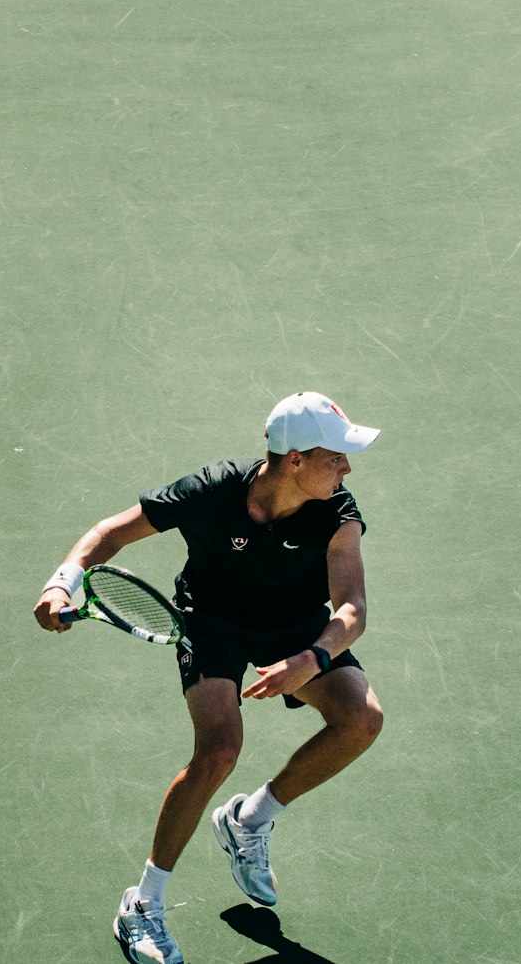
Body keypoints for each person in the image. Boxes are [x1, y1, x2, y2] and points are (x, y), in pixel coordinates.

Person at [33, 392, 384, 964]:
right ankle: (142, 905)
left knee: (361, 720)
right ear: (293, 459)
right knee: (219, 750)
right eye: (335, 456)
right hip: (211, 622)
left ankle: (251, 819)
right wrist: (60, 583)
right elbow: (110, 533)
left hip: (295, 629)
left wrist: (310, 659)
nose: (346, 467)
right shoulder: (212, 492)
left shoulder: (339, 512)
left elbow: (352, 611)